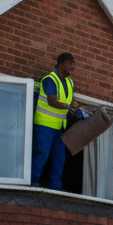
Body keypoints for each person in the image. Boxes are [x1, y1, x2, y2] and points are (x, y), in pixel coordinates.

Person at [31, 53, 83, 190]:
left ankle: (55, 188)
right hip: (45, 125)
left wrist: (76, 107)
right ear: (61, 65)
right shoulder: (50, 80)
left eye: (74, 63)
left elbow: (70, 102)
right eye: (70, 63)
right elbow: (52, 101)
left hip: (60, 127)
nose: (73, 66)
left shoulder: (70, 83)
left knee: (59, 159)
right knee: (41, 154)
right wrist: (68, 107)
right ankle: (32, 183)